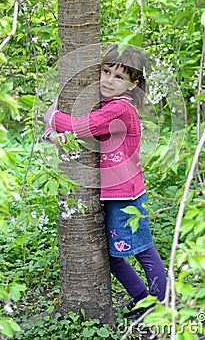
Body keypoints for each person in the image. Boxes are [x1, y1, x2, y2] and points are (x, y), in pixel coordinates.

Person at [43, 45, 166, 319]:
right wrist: (55, 134)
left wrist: (52, 115)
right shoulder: (108, 105)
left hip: (126, 196)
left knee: (142, 251)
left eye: (119, 77)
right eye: (106, 71)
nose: (109, 80)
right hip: (114, 194)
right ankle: (144, 299)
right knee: (113, 255)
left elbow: (81, 127)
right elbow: (86, 134)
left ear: (134, 84)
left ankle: (158, 306)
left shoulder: (120, 109)